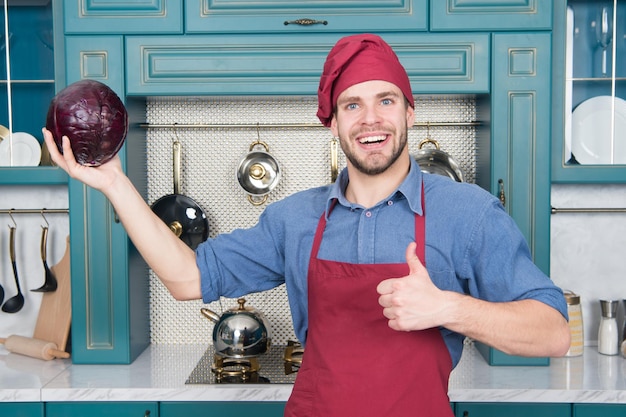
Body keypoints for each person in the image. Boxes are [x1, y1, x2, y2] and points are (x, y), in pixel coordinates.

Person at [43, 33, 570, 417]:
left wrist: (449, 308)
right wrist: (114, 183)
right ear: (334, 122)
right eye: (352, 105)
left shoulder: (469, 213)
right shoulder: (294, 218)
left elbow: (552, 333)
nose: (371, 119)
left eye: (386, 100)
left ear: (410, 112)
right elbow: (187, 279)